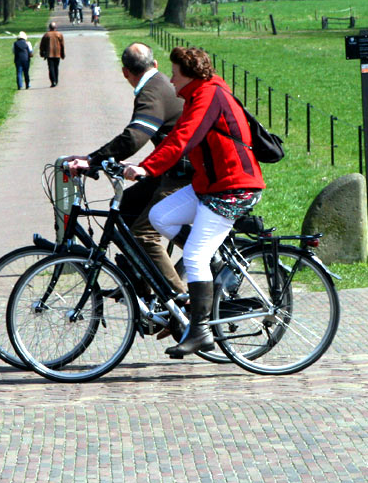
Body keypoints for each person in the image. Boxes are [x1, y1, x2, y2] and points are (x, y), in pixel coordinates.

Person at [124, 46, 264, 357]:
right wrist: (146, 166)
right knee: (160, 216)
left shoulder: (208, 95)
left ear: (189, 75)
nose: (171, 81)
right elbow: (176, 139)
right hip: (208, 186)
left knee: (197, 256)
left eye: (174, 74)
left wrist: (146, 168)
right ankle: (206, 261)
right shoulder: (196, 95)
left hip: (232, 187)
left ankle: (200, 331)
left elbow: (183, 138)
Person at [67, 42, 189, 295]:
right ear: (155, 64)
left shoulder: (152, 92)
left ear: (125, 72)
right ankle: (145, 280)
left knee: (144, 233)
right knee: (124, 209)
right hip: (173, 168)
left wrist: (92, 160)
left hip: (185, 173)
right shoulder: (159, 84)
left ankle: (178, 300)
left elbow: (134, 137)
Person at [39, 21, 65, 87]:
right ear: (55, 27)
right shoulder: (59, 34)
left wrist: (42, 52)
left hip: (49, 54)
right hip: (57, 53)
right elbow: (62, 45)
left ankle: (53, 81)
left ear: (49, 27)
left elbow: (42, 45)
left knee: (51, 68)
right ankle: (56, 80)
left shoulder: (46, 35)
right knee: (56, 67)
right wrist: (62, 54)